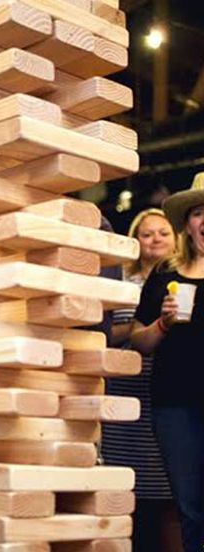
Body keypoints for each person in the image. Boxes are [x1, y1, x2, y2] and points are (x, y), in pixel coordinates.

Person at [131, 173, 204, 552]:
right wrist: (162, 322)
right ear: (188, 223)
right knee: (191, 508)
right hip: (175, 404)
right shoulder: (165, 275)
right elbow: (138, 340)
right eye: (197, 212)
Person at [103, 208, 181, 552]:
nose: (155, 239)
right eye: (147, 233)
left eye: (163, 232)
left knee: (170, 493)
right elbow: (101, 335)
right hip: (123, 397)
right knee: (125, 490)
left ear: (177, 237)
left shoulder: (186, 279)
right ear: (135, 241)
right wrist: (141, 329)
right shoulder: (119, 284)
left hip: (166, 392)